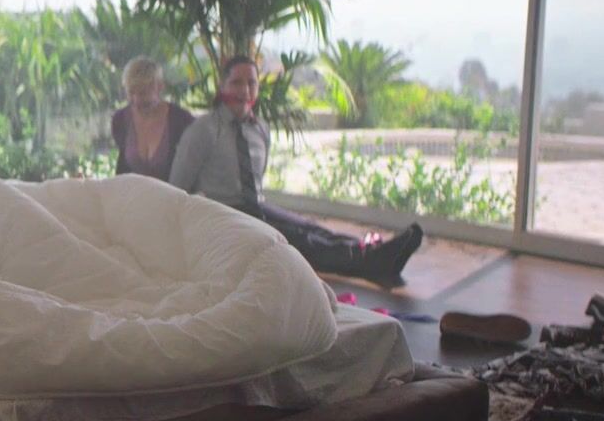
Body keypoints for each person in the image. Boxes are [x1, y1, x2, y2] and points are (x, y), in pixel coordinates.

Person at [169, 56, 422, 288]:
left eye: (251, 83)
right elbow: (177, 188)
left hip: (256, 204)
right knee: (296, 240)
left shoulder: (260, 129)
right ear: (222, 86)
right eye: (236, 82)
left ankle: (371, 251)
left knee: (310, 228)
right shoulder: (202, 130)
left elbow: (257, 183)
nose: (244, 90)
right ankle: (370, 262)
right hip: (224, 214)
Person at [110, 57, 196, 182]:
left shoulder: (182, 120)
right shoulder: (120, 121)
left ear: (160, 87)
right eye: (131, 93)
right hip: (131, 193)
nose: (136, 100)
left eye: (143, 93)